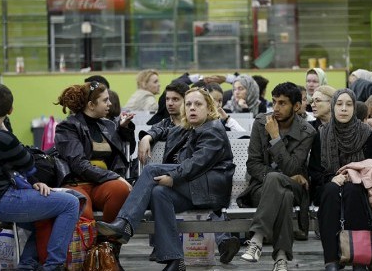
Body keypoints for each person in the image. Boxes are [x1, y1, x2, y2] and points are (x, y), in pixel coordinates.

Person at [97, 87, 235, 271]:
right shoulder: (193, 128)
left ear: (209, 108)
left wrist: (172, 177)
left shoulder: (213, 129)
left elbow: (197, 163)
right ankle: (175, 259)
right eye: (188, 104)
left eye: (198, 104)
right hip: (196, 189)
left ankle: (125, 224)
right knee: (159, 193)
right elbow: (164, 129)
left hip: (210, 191)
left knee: (151, 170)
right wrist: (147, 136)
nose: (192, 108)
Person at [0, 83, 80, 271]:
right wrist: (5, 131)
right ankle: (53, 266)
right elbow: (29, 164)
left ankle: (27, 265)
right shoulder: (3, 138)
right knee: (70, 203)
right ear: (10, 110)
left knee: (46, 215)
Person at [308, 89, 372, 271]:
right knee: (330, 191)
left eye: (349, 104)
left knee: (353, 191)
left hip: (363, 185)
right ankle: (332, 260)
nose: (344, 109)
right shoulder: (321, 134)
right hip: (330, 183)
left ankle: (359, 257)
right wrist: (333, 178)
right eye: (339, 104)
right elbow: (314, 171)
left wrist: (354, 174)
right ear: (333, 106)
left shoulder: (366, 133)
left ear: (354, 108)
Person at [54, 81, 135, 267]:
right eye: (105, 100)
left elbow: (122, 154)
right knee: (84, 214)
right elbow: (78, 165)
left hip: (100, 184)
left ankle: (108, 256)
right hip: (76, 183)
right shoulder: (67, 127)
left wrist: (123, 129)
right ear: (91, 105)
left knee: (120, 190)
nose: (110, 104)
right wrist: (114, 176)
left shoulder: (107, 125)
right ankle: (84, 262)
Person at [237, 82, 316, 271]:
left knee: (279, 183)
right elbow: (253, 164)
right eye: (274, 102)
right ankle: (281, 259)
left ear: (296, 107)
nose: (276, 108)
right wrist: (282, 177)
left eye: (282, 103)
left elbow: (293, 167)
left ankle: (256, 239)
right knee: (282, 193)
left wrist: (275, 138)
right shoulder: (260, 123)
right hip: (261, 188)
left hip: (297, 189)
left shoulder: (307, 132)